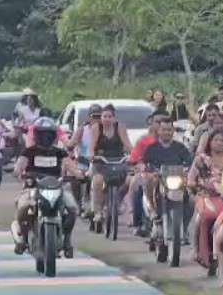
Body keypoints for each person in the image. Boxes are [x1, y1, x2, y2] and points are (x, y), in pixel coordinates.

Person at [11, 118, 79, 256]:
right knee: (23, 207)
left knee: (72, 208)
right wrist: (18, 171)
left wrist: (79, 175)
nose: (45, 137)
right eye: (42, 134)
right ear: (36, 135)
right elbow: (20, 165)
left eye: (48, 134)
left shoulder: (59, 152)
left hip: (57, 187)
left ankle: (67, 240)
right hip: (33, 188)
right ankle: (23, 239)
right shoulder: (29, 151)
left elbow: (70, 165)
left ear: (54, 135)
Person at [136, 118, 195, 238]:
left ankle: (183, 228)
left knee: (192, 201)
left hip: (176, 181)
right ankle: (153, 211)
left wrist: (187, 169)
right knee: (147, 179)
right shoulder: (151, 148)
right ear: (158, 131)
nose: (166, 132)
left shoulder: (180, 148)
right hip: (158, 180)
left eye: (169, 130)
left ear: (173, 131)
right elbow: (142, 162)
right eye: (164, 129)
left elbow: (190, 162)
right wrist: (143, 167)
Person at [189, 129, 223, 272]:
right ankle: (197, 250)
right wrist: (195, 187)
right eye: (216, 140)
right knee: (203, 217)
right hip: (204, 196)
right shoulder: (201, 160)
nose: (219, 143)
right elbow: (191, 179)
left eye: (221, 140)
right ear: (209, 142)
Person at [87, 102, 134, 224]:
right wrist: (91, 156)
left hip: (118, 161)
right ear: (101, 117)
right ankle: (98, 211)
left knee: (129, 181)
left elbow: (128, 145)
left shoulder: (120, 127)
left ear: (113, 118)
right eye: (104, 116)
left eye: (109, 116)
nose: (107, 119)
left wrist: (134, 157)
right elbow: (91, 147)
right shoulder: (96, 128)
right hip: (101, 162)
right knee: (97, 181)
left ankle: (117, 201)